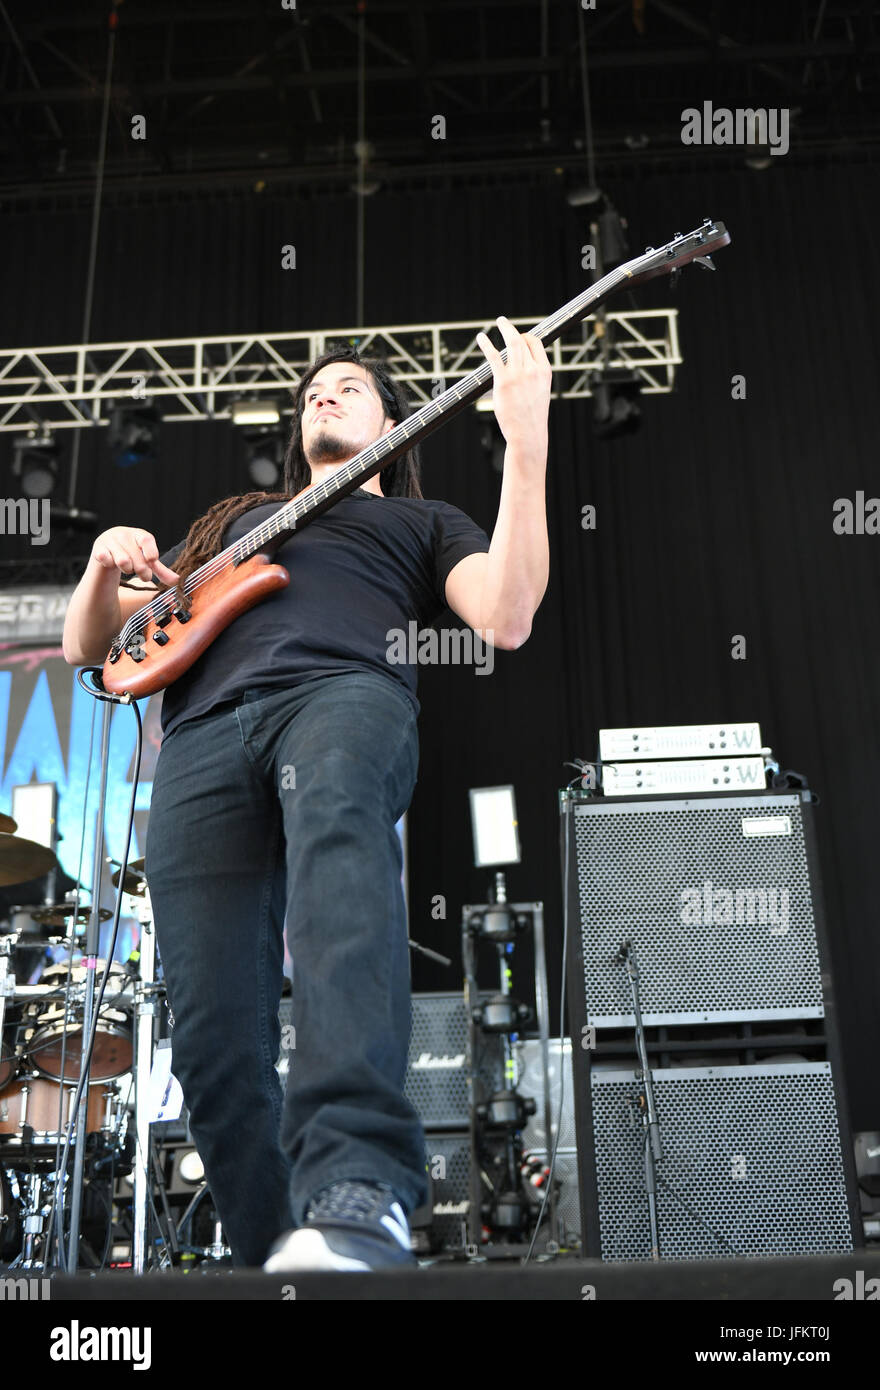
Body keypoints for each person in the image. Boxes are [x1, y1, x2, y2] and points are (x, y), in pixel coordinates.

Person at [62, 316, 551, 1271]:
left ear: (394, 424)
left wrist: (525, 441)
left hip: (341, 695)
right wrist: (97, 569)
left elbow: (507, 614)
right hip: (200, 739)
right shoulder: (234, 523)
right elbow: (94, 646)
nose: (322, 395)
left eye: (349, 388)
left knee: (339, 876)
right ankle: (278, 1254)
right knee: (209, 1028)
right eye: (311, 392)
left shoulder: (421, 521)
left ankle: (360, 1195)